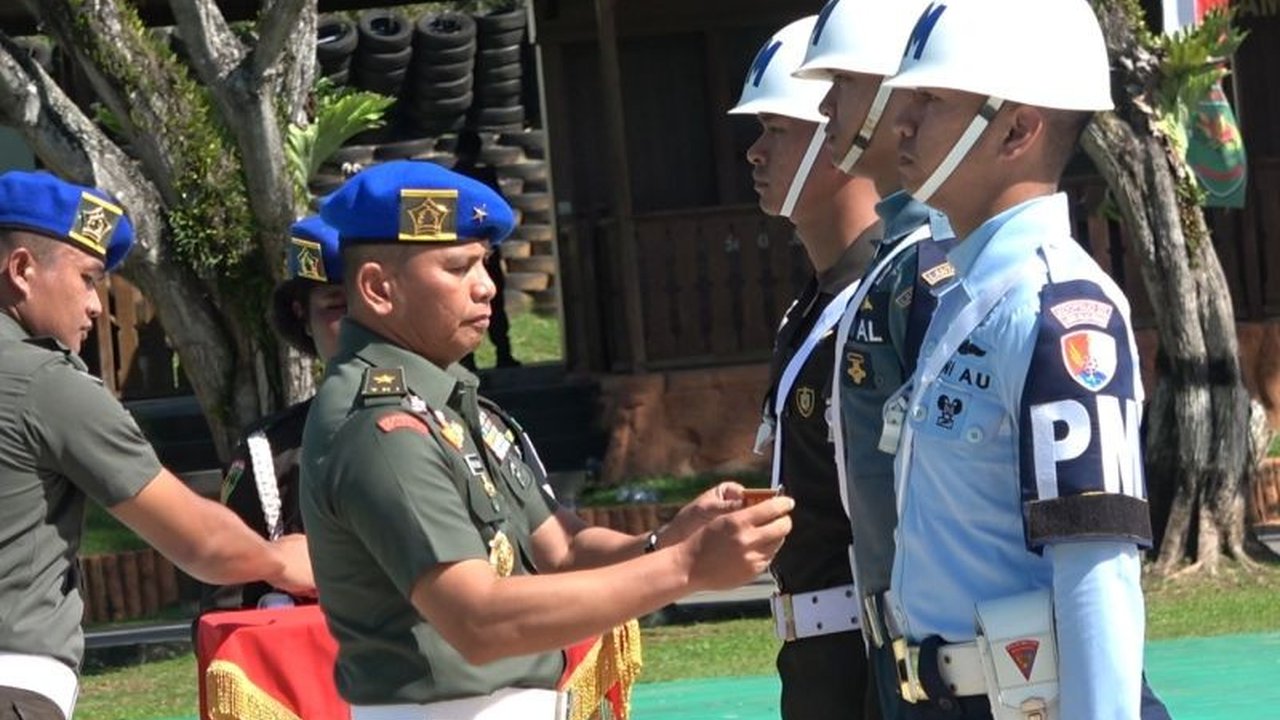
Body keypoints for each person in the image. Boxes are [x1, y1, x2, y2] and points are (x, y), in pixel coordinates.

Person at [300, 159, 794, 719]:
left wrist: (667, 542)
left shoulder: (450, 404)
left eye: (484, 263)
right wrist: (688, 567)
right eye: (458, 268)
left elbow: (562, 550)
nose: (487, 286)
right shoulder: (383, 426)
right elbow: (478, 620)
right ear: (377, 288)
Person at [877, 1, 1167, 717]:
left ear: (1017, 129)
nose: (901, 122)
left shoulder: (1058, 309)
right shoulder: (968, 295)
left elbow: (1097, 571)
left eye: (931, 99)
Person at [0, 170, 314, 720]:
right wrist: (283, 561)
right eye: (87, 279)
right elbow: (199, 541)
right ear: (23, 270)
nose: (95, 306)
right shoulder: (44, 383)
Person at [791, 1, 956, 716]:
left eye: (844, 85)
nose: (826, 108)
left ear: (903, 94)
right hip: (896, 645)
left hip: (952, 651)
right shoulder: (891, 261)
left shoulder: (931, 263)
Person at [727, 15, 880, 720]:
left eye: (777, 129)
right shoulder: (812, 309)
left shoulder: (891, 303)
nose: (754, 152)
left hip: (875, 663)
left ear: (841, 137)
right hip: (818, 665)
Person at [204, 215, 346, 610]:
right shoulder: (269, 454)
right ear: (302, 315)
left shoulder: (466, 426)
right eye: (337, 305)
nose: (358, 324)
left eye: (373, 303)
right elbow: (228, 612)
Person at [453, 128, 520, 370]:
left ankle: (470, 358)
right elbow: (500, 211)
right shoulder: (484, 178)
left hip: (464, 251)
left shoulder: (451, 179)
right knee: (493, 302)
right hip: (485, 249)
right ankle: (501, 352)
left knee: (466, 302)